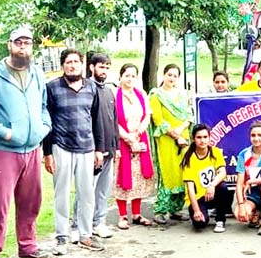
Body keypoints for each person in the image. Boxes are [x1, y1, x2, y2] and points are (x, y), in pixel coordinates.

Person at [0, 26, 53, 258]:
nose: (23, 47)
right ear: (9, 45)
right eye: (18, 42)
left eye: (27, 43)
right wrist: (6, 132)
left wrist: (44, 127)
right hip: (5, 150)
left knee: (32, 200)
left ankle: (27, 246)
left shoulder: (37, 73)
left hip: (32, 149)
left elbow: (43, 106)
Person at [44, 48, 105, 255]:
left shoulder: (91, 87)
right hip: (61, 146)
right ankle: (62, 236)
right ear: (63, 65)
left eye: (76, 62)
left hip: (87, 147)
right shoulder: (52, 87)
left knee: (87, 193)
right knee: (61, 193)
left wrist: (100, 149)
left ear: (82, 64)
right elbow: (47, 121)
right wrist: (47, 153)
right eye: (68, 62)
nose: (72, 65)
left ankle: (86, 235)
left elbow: (96, 119)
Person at [71, 52, 116, 240]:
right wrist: (95, 147)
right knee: (86, 189)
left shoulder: (108, 90)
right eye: (101, 67)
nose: (104, 70)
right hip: (92, 150)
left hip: (110, 149)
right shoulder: (87, 88)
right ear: (91, 67)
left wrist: (116, 147)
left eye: (107, 67)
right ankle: (76, 226)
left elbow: (114, 120)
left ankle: (98, 222)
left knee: (103, 190)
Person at [149, 64, 194, 224]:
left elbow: (189, 116)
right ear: (163, 75)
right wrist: (176, 136)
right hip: (166, 140)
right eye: (169, 75)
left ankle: (176, 209)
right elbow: (158, 121)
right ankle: (160, 210)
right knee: (169, 174)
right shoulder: (156, 95)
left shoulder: (182, 95)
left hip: (184, 138)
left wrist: (181, 131)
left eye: (175, 76)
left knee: (184, 173)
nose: (172, 78)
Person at [113, 63, 156, 230]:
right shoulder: (115, 95)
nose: (130, 79)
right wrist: (127, 137)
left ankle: (137, 214)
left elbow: (147, 115)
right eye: (127, 75)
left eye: (133, 76)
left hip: (140, 138)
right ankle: (122, 215)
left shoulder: (141, 94)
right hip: (122, 141)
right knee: (123, 177)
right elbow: (113, 120)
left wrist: (138, 133)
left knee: (139, 177)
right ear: (121, 77)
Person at [182, 124, 230, 232]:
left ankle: (220, 220)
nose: (202, 140)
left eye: (205, 137)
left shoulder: (215, 152)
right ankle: (203, 213)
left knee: (223, 188)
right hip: (198, 197)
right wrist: (196, 211)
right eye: (199, 137)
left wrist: (212, 185)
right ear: (193, 139)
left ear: (209, 137)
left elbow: (223, 172)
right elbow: (190, 189)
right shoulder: (189, 158)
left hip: (212, 193)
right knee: (200, 224)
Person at [234, 120, 261, 235]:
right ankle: (255, 211)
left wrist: (251, 181)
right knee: (241, 215)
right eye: (253, 135)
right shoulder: (243, 154)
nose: (256, 138)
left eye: (260, 135)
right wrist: (241, 205)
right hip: (252, 193)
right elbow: (239, 183)